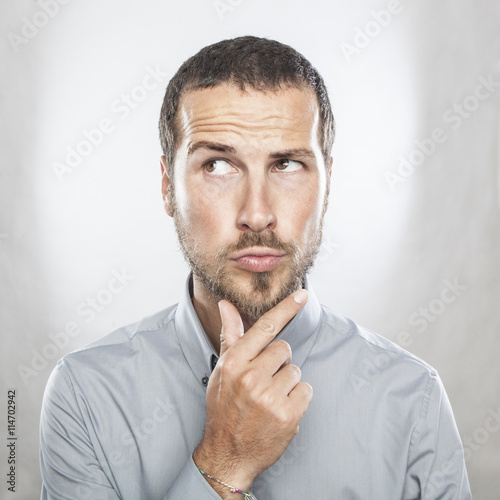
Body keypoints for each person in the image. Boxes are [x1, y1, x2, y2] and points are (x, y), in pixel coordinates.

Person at [39, 36, 471, 500]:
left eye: (286, 164)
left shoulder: (412, 398)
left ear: (328, 184)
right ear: (167, 187)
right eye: (219, 165)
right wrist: (225, 464)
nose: (257, 213)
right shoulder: (84, 395)